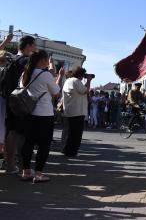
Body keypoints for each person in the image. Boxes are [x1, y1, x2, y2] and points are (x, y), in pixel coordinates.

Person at [21, 50, 63, 183]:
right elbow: (56, 93)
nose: (48, 63)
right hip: (44, 113)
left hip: (29, 112)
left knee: (28, 143)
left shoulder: (25, 73)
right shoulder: (45, 75)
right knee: (44, 145)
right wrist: (58, 77)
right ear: (42, 61)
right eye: (47, 60)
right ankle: (39, 173)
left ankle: (26, 171)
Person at [3, 35, 36, 174]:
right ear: (28, 46)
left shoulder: (11, 59)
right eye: (34, 45)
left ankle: (10, 164)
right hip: (21, 101)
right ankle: (21, 167)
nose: (35, 48)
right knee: (21, 134)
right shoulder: (26, 61)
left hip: (9, 99)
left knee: (11, 132)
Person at [61, 67, 92, 157]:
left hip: (69, 111)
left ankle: (65, 149)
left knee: (67, 132)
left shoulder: (68, 81)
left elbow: (81, 90)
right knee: (75, 134)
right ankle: (71, 151)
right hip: (77, 112)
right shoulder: (76, 81)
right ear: (81, 75)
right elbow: (85, 91)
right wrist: (89, 81)